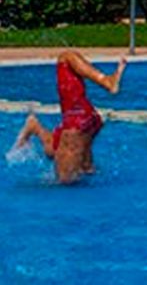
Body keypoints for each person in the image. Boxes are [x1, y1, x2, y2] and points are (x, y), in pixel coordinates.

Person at [13, 50, 127, 185]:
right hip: (83, 120)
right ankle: (35, 127)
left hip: (79, 120)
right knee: (73, 175)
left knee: (67, 180)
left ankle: (106, 81)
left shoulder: (68, 138)